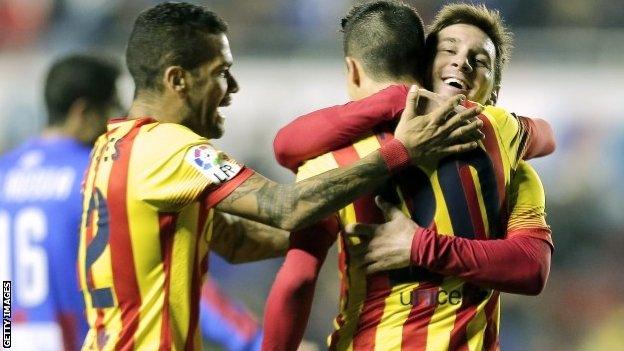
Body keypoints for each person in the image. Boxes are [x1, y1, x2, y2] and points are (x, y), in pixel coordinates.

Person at [76, 2, 483, 350]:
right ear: (177, 80)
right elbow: (285, 207)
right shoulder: (173, 150)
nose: (233, 87)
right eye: (221, 72)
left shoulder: (111, 147)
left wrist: (340, 225)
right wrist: (402, 151)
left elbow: (236, 242)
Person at [263, 2, 554, 350]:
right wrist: (400, 98)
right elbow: (545, 135)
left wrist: (420, 246)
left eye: (480, 61)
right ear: (421, 67)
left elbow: (296, 279)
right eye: (449, 50)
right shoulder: (498, 131)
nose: (461, 62)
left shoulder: (325, 164)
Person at [0, 54, 121, 351]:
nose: (115, 124)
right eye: (112, 109)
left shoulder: (4, 171)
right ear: (83, 111)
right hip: (69, 341)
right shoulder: (95, 175)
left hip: (8, 334)